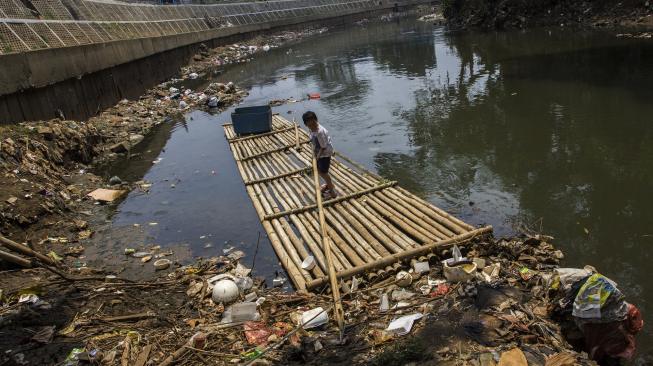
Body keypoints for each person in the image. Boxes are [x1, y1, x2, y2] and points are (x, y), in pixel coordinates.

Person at [302, 111, 337, 199]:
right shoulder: (311, 128)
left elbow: (323, 147)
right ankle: (329, 185)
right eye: (309, 125)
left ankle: (332, 191)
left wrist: (317, 157)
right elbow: (313, 138)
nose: (311, 127)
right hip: (319, 152)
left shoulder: (320, 132)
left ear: (316, 121)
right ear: (306, 124)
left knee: (323, 172)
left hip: (324, 154)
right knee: (318, 169)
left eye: (313, 124)